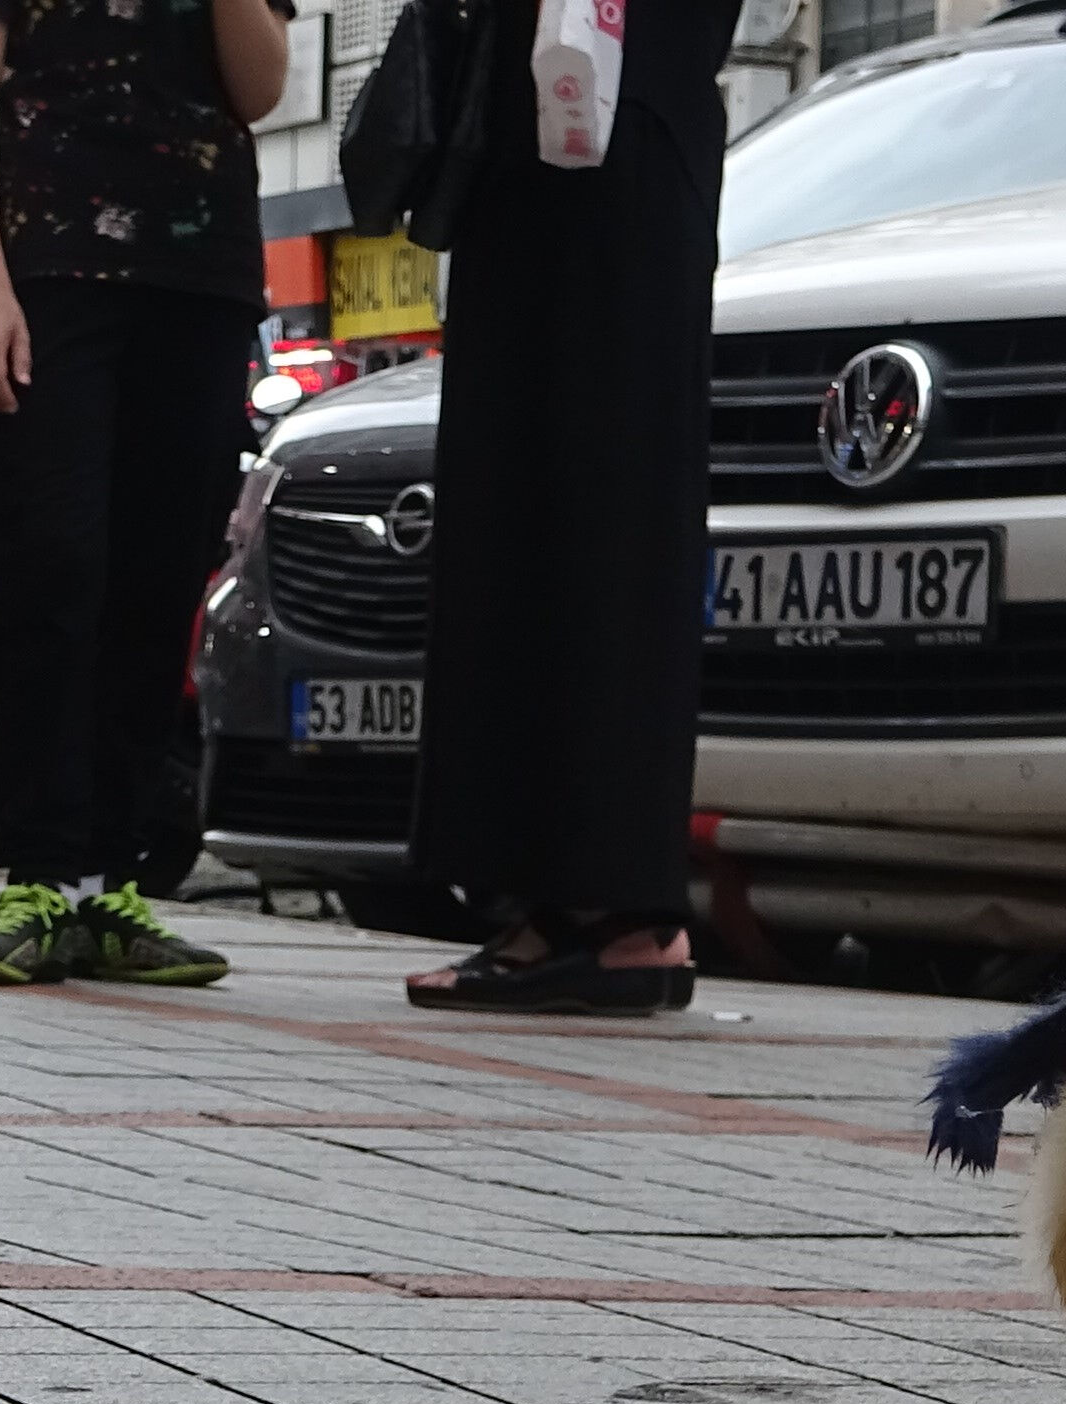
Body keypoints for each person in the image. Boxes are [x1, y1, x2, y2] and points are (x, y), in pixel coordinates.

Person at [0, 0, 289, 988]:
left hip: (201, 277)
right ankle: (38, 878)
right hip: (49, 269)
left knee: (161, 575)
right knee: (55, 557)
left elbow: (261, 90)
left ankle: (113, 885)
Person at [402, 0, 737, 1014]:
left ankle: (614, 910)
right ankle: (561, 904)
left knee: (604, 514)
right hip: (540, 147)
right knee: (528, 514)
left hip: (613, 136)